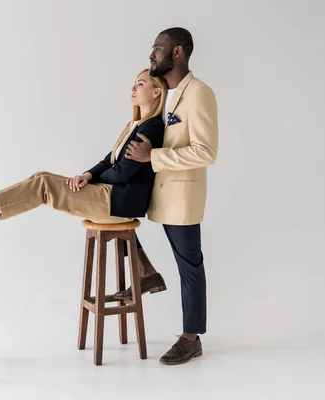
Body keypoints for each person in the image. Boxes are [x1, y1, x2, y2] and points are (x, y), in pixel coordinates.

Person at [0, 69, 167, 296]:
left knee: (43, 186)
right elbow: (109, 161)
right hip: (111, 195)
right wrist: (88, 176)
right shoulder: (134, 125)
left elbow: (123, 172)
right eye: (134, 83)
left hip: (117, 201)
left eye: (141, 84)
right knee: (41, 177)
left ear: (157, 92)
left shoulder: (152, 127)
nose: (133, 88)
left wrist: (95, 183)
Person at [118, 27, 219, 365]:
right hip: (157, 194)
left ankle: (191, 338)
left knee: (190, 267)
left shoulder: (199, 93)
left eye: (158, 48)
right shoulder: (165, 93)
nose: (152, 54)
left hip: (182, 197)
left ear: (177, 52)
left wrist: (154, 158)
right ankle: (146, 273)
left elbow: (206, 151)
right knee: (115, 219)